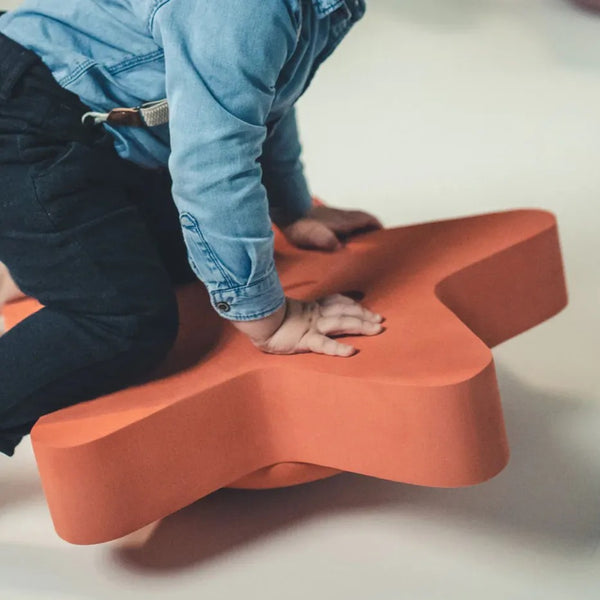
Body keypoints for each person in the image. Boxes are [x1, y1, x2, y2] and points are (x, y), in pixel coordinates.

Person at [0, 0, 385, 457]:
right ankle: (38, 251)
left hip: (83, 118)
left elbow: (259, 95)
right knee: (126, 322)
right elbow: (214, 167)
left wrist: (291, 207)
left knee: (194, 252)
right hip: (23, 112)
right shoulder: (243, 9)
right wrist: (268, 318)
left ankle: (32, 257)